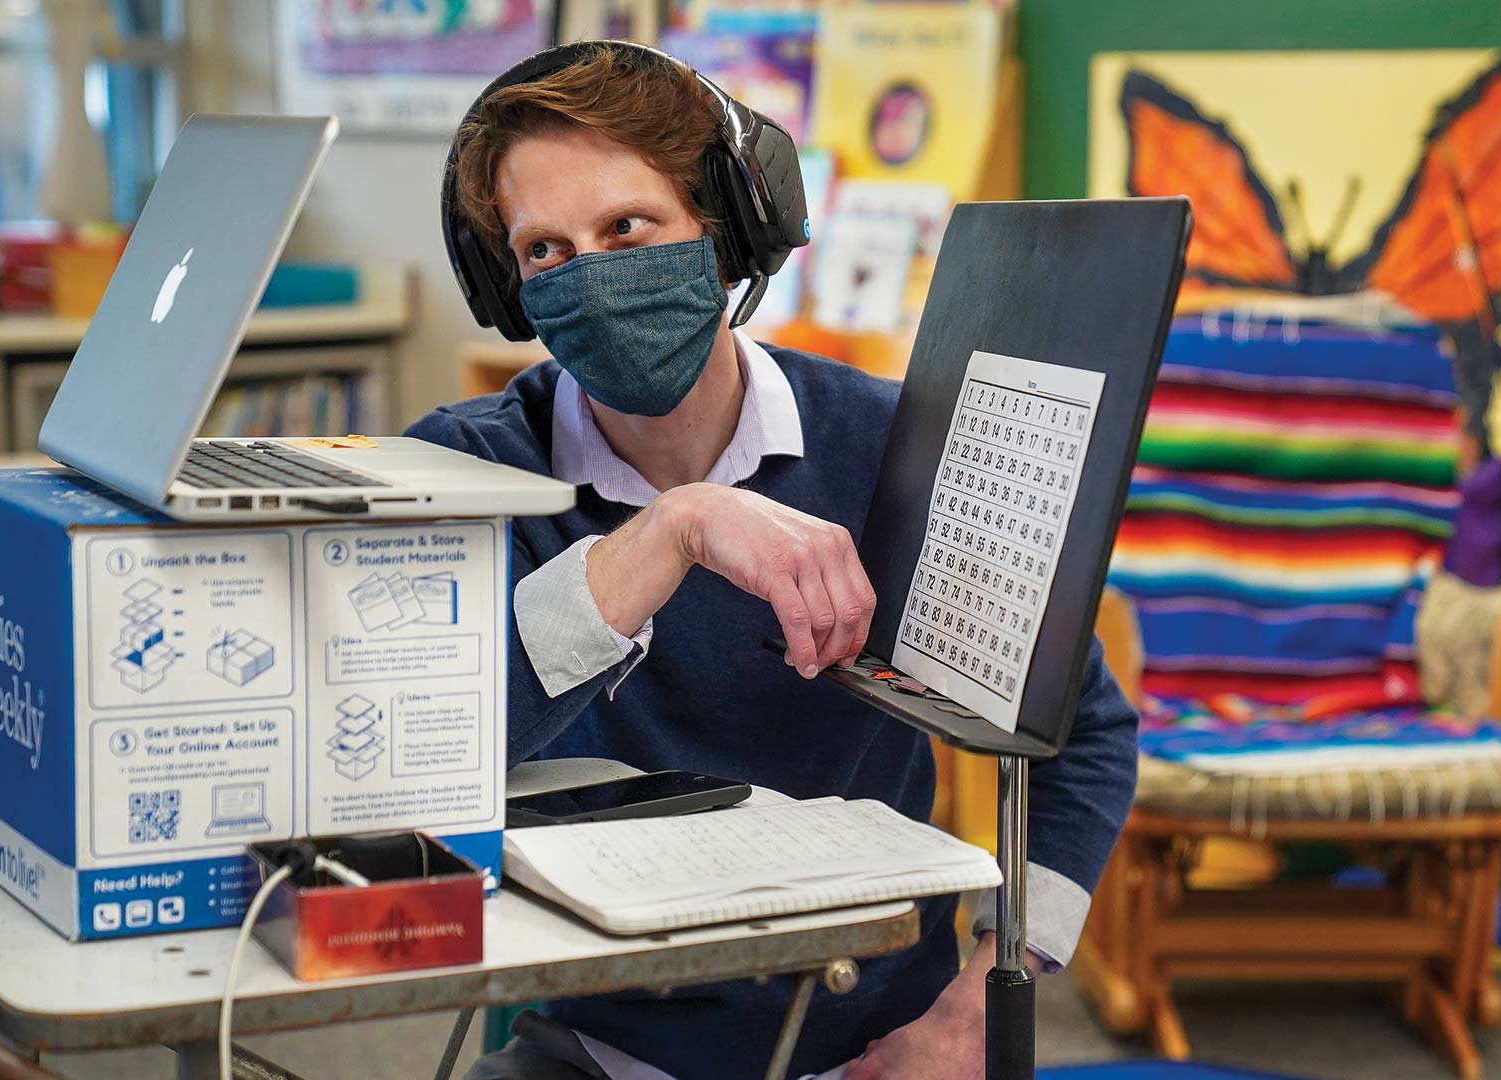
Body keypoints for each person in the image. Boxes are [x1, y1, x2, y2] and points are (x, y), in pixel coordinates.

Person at [410, 41, 1137, 1080]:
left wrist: (979, 1006)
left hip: (881, 1044)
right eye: (547, 253)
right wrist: (673, 531)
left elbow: (1086, 733)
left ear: (729, 226)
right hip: (596, 1046)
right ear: (507, 286)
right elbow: (425, 754)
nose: (596, 275)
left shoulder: (899, 447)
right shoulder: (464, 469)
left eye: (628, 227)